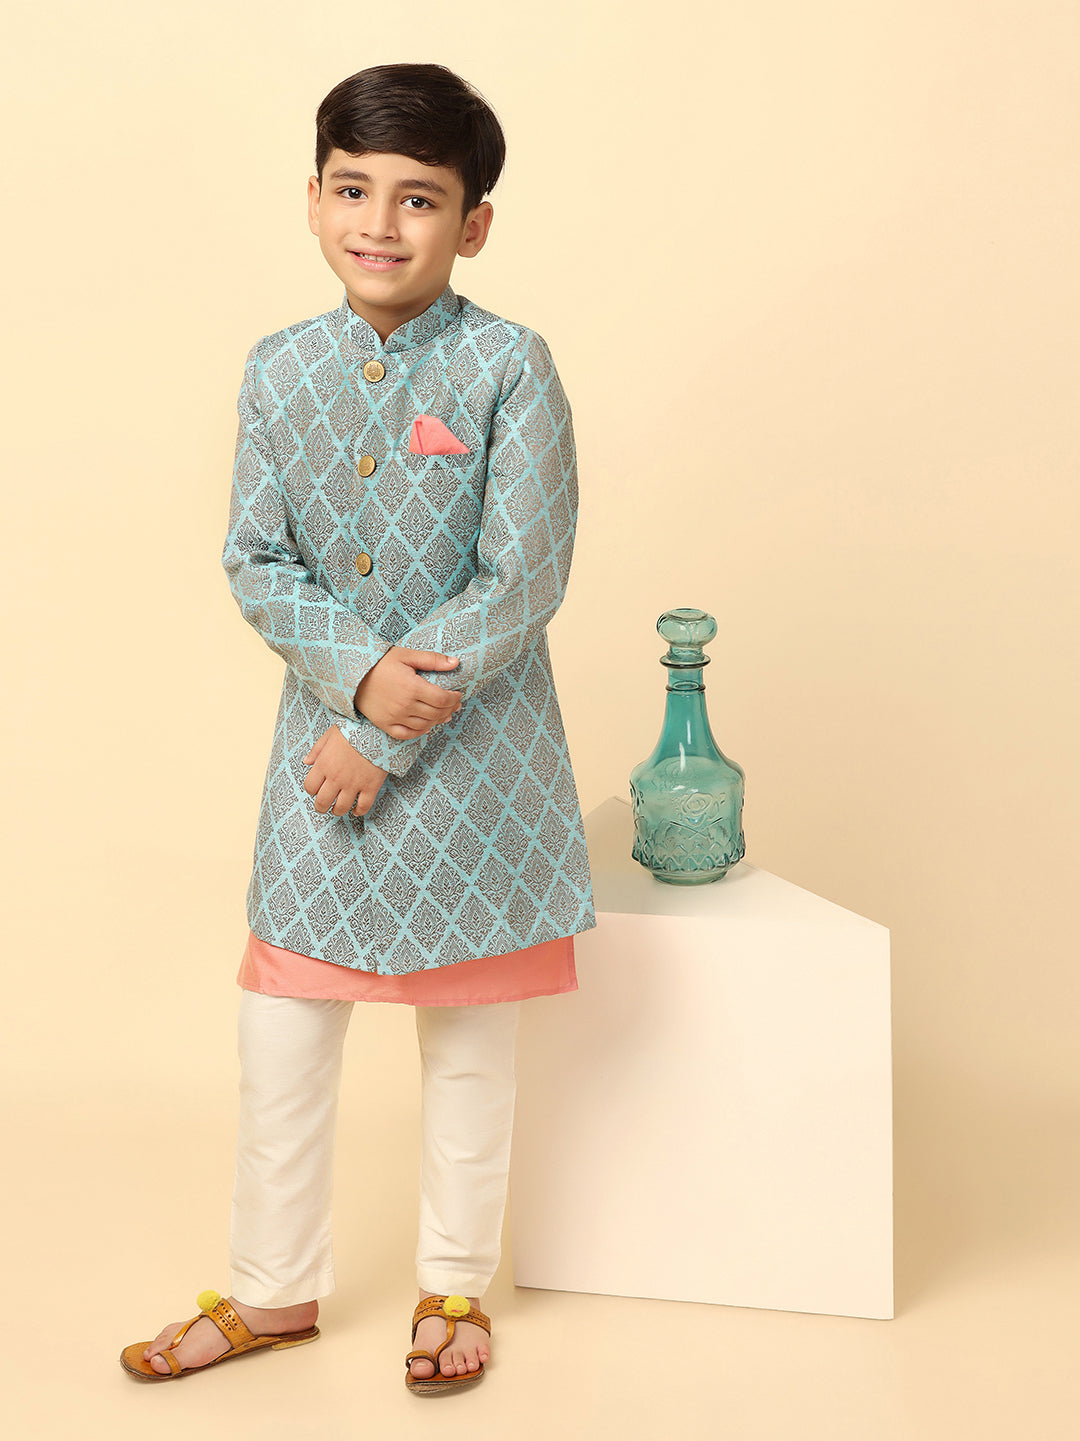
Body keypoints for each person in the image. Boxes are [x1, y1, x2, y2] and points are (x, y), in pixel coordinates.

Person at [119, 62, 594, 1394]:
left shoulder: (509, 367)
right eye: (352, 190)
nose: (380, 223)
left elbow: (523, 578)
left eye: (420, 199)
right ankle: (270, 1292)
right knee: (280, 1043)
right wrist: (354, 681)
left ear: (473, 224)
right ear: (316, 199)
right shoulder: (279, 369)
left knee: (470, 1054)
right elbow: (257, 559)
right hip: (316, 770)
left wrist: (381, 730)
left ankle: (455, 1286)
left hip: (474, 771)